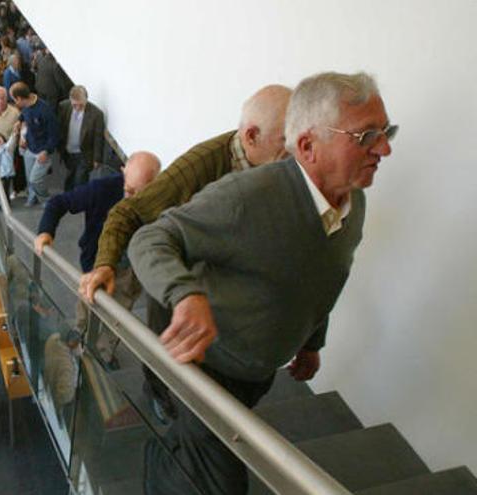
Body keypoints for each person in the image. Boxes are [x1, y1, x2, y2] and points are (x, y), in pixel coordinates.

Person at [129, 72, 395, 495]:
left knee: (196, 452)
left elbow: (330, 273)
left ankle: (168, 450)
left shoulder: (353, 202)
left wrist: (312, 341)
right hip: (204, 369)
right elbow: (151, 238)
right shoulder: (246, 197)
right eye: (366, 137)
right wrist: (185, 294)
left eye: (385, 131)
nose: (384, 148)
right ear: (307, 146)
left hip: (257, 372)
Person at [79, 84, 292, 423]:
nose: (296, 150)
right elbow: (127, 213)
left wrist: (309, 340)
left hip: (226, 308)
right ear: (252, 136)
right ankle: (161, 397)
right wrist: (105, 264)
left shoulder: (279, 170)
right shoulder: (201, 166)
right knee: (170, 357)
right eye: (287, 139)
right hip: (179, 293)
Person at [35, 152, 160, 361]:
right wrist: (45, 231)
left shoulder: (161, 198)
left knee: (119, 316)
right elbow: (58, 202)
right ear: (123, 172)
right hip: (95, 264)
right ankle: (80, 335)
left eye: (140, 194)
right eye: (128, 191)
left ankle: (104, 353)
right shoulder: (102, 189)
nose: (131, 200)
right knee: (86, 303)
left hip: (130, 271)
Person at [11, 81, 59, 206]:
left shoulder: (45, 110)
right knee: (29, 178)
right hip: (29, 148)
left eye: (15, 100)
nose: (15, 103)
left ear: (20, 98)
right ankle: (32, 198)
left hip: (42, 151)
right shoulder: (26, 106)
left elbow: (54, 135)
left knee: (35, 179)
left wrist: (46, 151)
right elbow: (24, 115)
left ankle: (47, 200)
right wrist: (18, 122)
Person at [58, 85, 106, 190]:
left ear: (86, 100)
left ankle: (78, 204)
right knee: (69, 179)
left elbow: (98, 138)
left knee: (80, 181)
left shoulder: (96, 114)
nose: (78, 108)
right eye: (75, 105)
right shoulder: (63, 107)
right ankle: (68, 202)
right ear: (70, 101)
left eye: (81, 105)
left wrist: (97, 158)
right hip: (68, 152)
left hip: (84, 153)